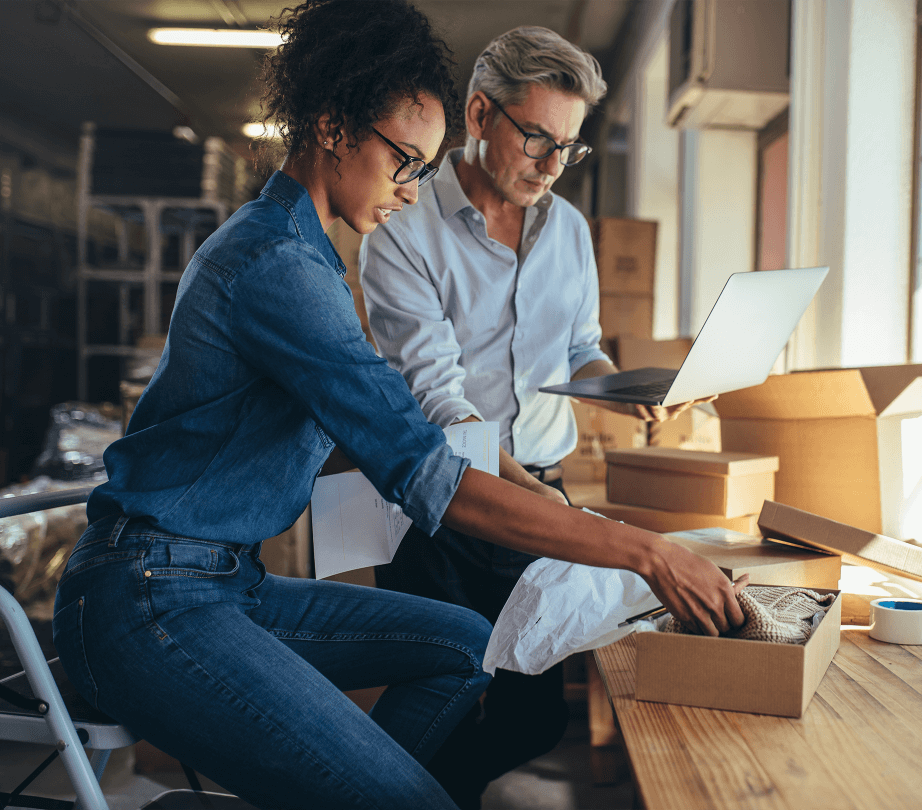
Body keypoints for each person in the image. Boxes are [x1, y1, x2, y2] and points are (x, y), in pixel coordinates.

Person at [53, 4, 745, 808]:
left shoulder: (307, 253)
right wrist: (646, 553)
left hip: (226, 582)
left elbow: (381, 433)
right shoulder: (279, 265)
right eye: (404, 162)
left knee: (466, 646)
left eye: (422, 167)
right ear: (333, 128)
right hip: (150, 594)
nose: (413, 192)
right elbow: (426, 468)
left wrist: (540, 488)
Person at [360, 25, 715, 808]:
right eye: (538, 140)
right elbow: (441, 402)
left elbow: (581, 347)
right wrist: (537, 503)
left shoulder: (570, 232)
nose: (553, 165)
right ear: (479, 115)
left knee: (534, 718)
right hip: (445, 505)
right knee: (442, 705)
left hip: (543, 491)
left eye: (569, 147)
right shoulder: (403, 231)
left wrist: (627, 390)